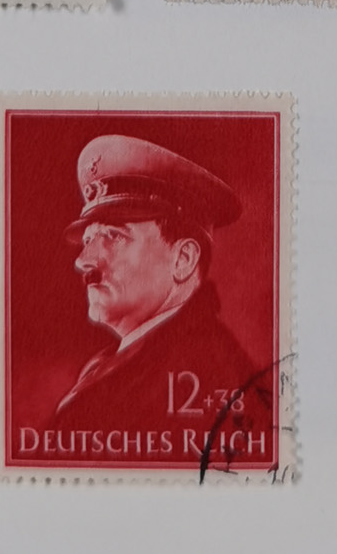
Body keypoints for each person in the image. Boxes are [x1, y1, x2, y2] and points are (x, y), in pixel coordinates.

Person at [51, 135, 265, 433]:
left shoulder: (203, 372)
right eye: (88, 240)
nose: (83, 261)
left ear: (183, 260)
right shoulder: (123, 363)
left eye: (114, 236)